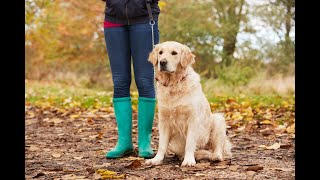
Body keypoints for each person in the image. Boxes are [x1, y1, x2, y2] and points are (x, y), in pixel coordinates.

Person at [101, 0, 160, 159]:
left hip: (145, 19)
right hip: (113, 20)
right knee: (119, 81)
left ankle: (144, 143)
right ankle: (124, 142)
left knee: (145, 81)